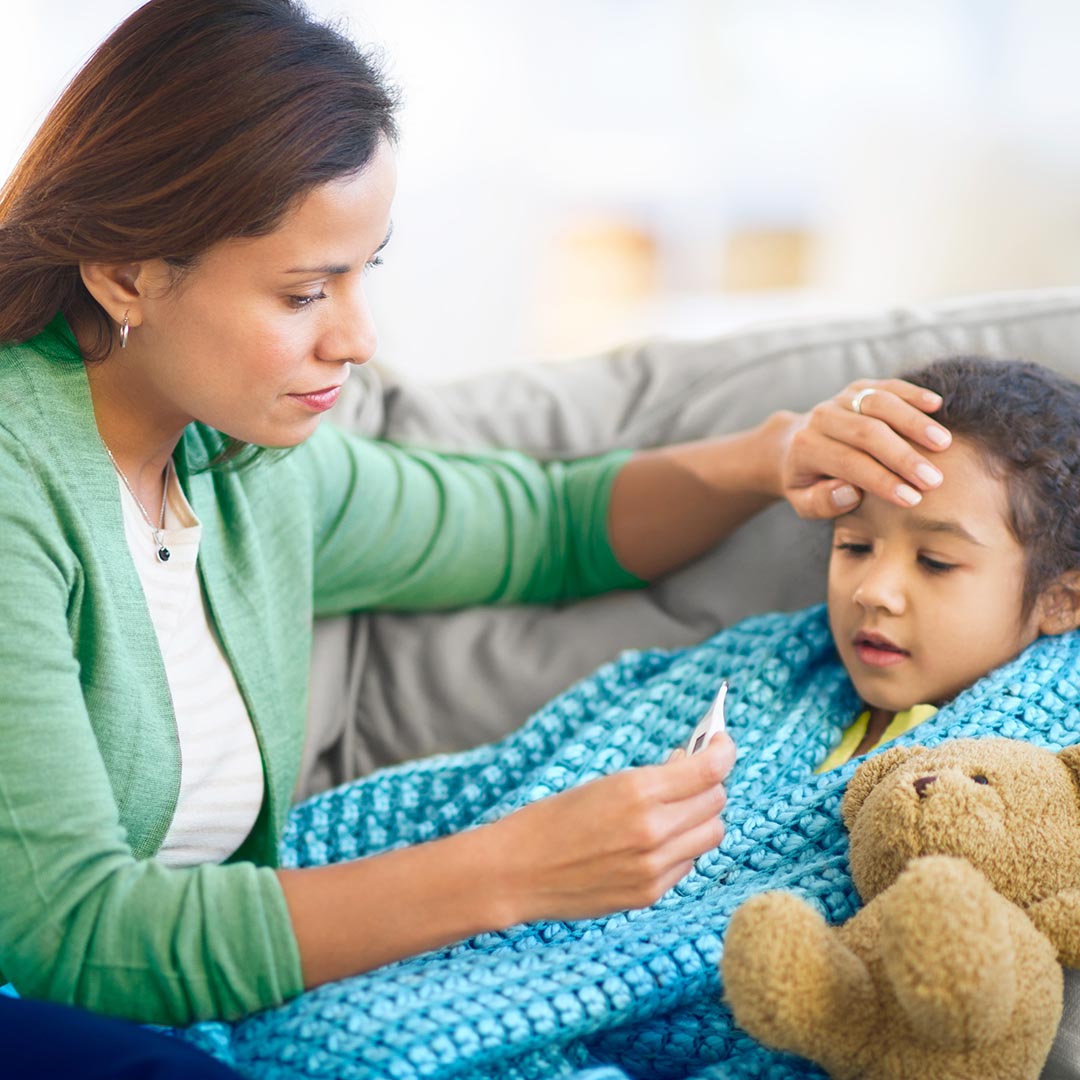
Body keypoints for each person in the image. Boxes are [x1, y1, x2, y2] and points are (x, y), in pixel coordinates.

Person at [0, 0, 953, 1034]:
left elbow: (544, 527)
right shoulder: (23, 490)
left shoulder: (237, 462)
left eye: (366, 272)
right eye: (304, 293)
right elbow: (71, 936)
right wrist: (515, 870)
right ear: (125, 271)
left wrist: (767, 460)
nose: (359, 339)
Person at [167, 353, 1080, 1080]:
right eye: (853, 546)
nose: (875, 590)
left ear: (1062, 599)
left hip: (661, 1015)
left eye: (937, 564)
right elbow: (500, 784)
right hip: (477, 933)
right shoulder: (758, 667)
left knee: (350, 1044)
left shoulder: (1038, 763)